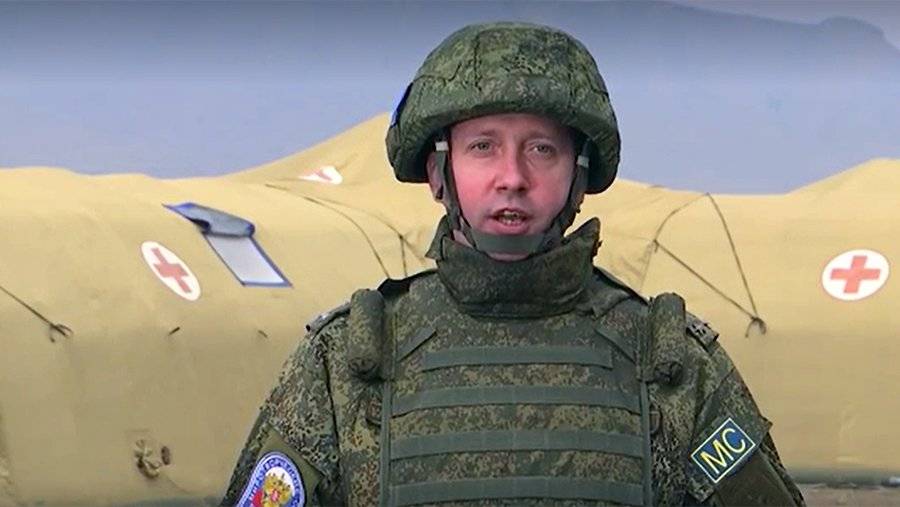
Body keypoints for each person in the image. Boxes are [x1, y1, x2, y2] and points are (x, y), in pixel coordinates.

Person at [222, 22, 805, 506]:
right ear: (438, 172)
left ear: (578, 173)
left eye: (541, 149)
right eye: (483, 147)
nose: (512, 177)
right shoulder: (346, 363)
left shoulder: (670, 365)